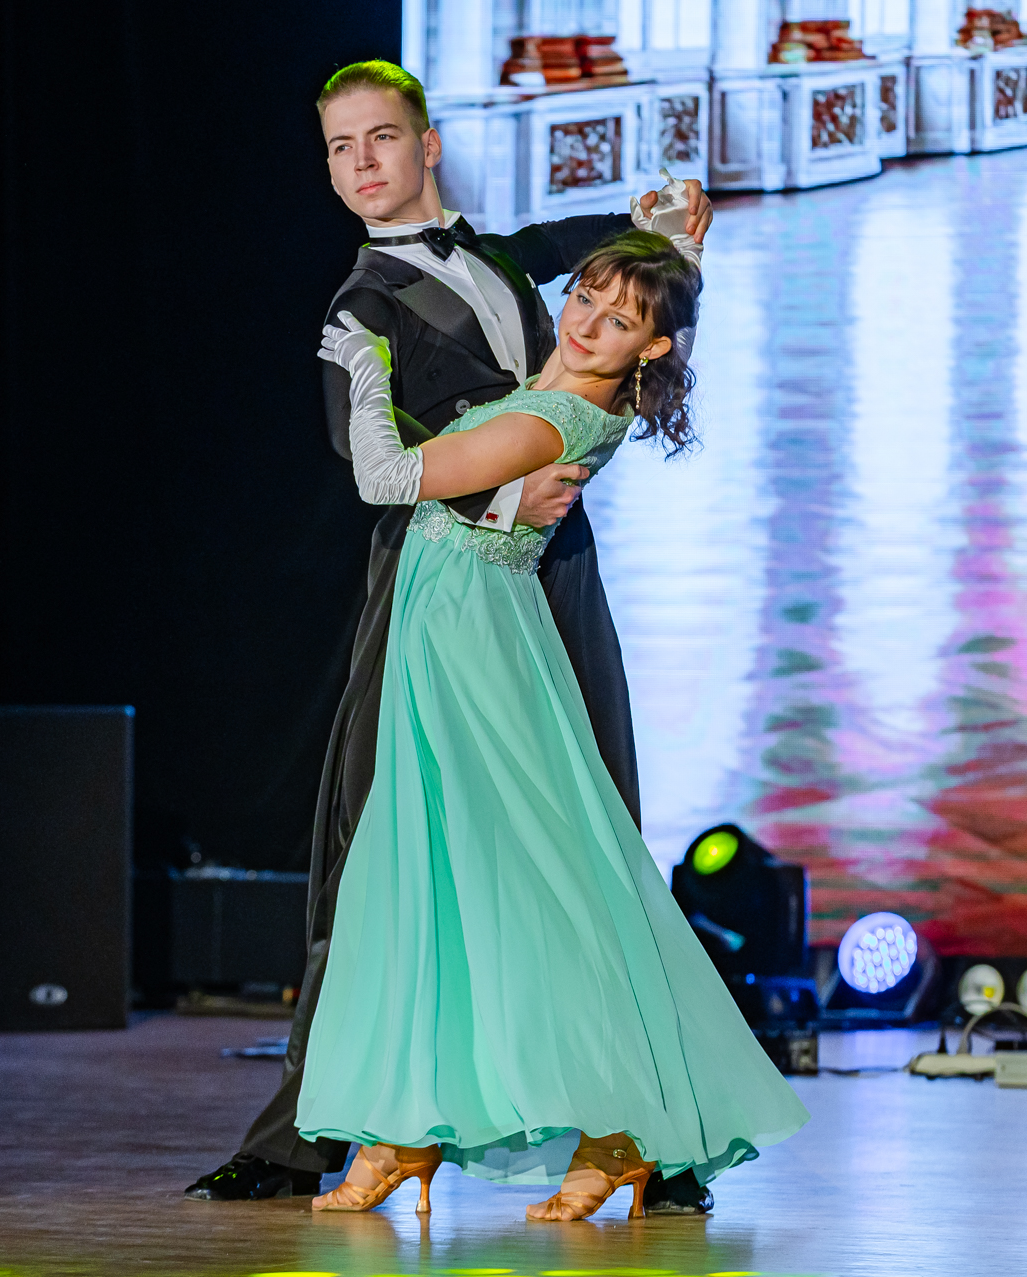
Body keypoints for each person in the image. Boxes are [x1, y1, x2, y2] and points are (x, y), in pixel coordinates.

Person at [184, 60, 718, 1214]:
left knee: (595, 841)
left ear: (427, 143)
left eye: (380, 137)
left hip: (556, 570)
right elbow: (364, 455)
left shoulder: (510, 256)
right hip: (441, 576)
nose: (361, 163)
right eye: (339, 147)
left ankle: (656, 1133)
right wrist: (501, 493)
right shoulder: (361, 303)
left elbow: (624, 261)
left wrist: (670, 224)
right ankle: (318, 1133)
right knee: (383, 843)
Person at [298, 230, 809, 1221]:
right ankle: (406, 1126)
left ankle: (616, 1127)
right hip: (450, 629)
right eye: (584, 297)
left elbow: (387, 478)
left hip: (471, 639)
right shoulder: (570, 389)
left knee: (528, 877)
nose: (584, 322)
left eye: (618, 321)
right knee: (434, 872)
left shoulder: (550, 418)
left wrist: (362, 362)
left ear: (651, 348)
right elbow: (605, 331)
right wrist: (671, 242)